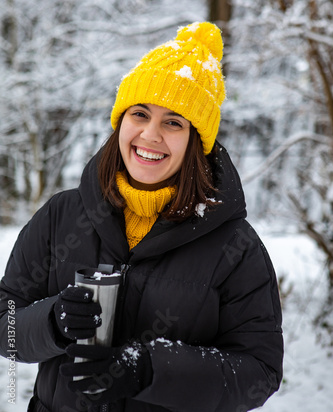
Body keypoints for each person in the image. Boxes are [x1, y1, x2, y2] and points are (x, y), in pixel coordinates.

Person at [0, 22, 283, 412]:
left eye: (173, 122)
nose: (151, 135)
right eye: (140, 114)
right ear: (120, 121)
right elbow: (6, 324)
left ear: (196, 142)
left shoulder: (235, 247)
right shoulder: (61, 215)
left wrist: (148, 370)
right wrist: (51, 321)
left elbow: (259, 372)